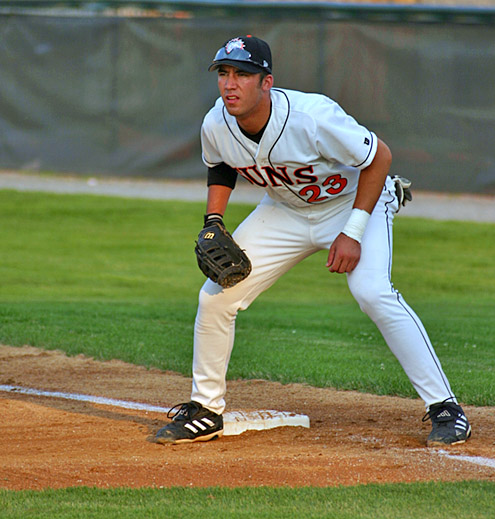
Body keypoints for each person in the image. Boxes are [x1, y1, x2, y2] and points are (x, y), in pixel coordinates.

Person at [153, 35, 471, 447]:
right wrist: (214, 219)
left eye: (243, 75)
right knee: (216, 296)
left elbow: (380, 158)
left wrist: (352, 232)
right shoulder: (217, 122)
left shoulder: (311, 116)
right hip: (285, 210)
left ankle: (446, 408)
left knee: (373, 292)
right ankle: (206, 409)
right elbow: (220, 167)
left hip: (354, 202)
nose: (230, 84)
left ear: (266, 82)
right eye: (224, 73)